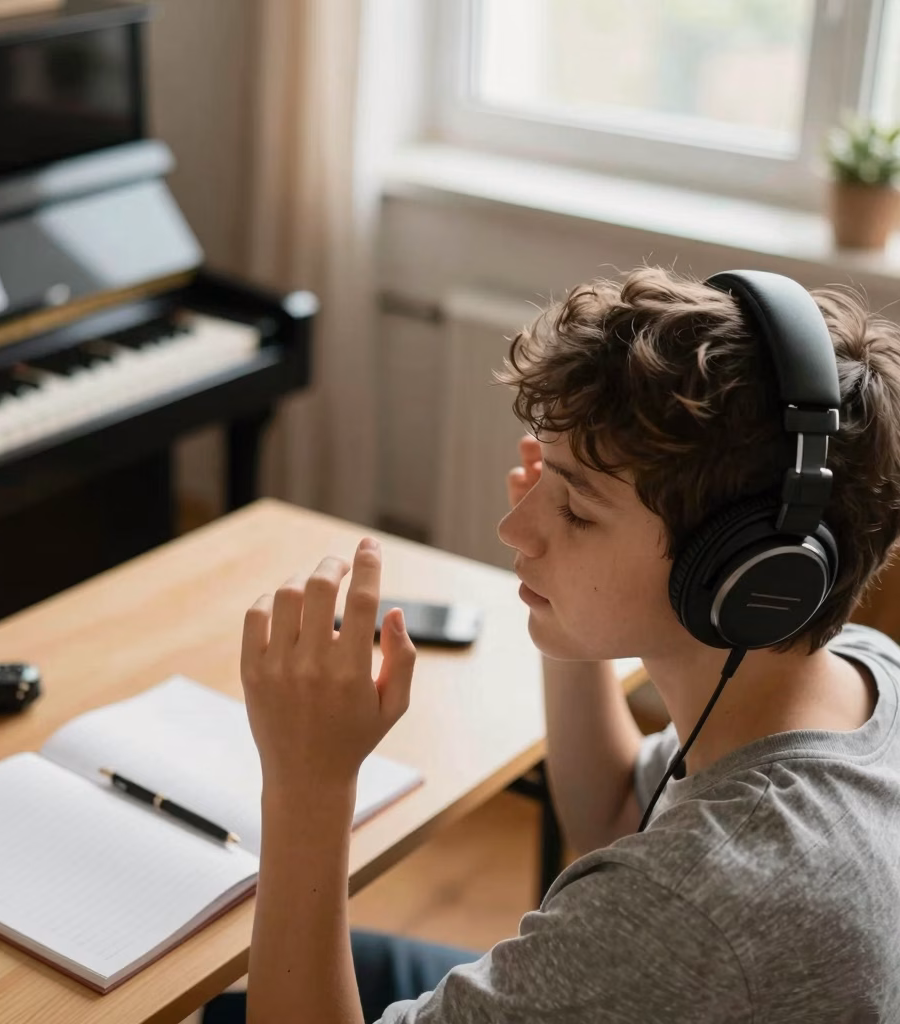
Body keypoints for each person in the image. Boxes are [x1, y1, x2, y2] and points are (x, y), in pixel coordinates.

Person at [205, 266, 900, 1023]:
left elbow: (671, 913)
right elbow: (607, 812)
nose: (514, 528)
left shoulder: (692, 904)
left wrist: (309, 783)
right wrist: (565, 612)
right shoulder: (864, 671)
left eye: (576, 510)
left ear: (738, 573)